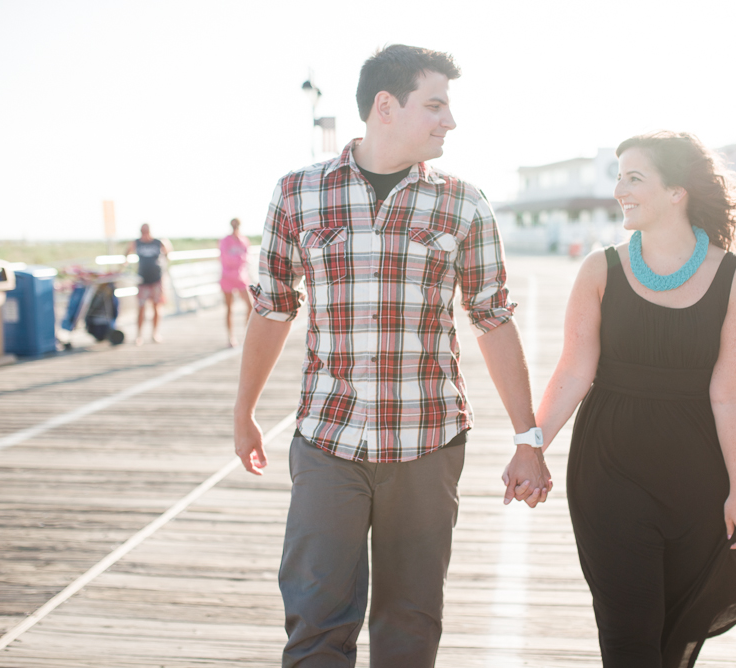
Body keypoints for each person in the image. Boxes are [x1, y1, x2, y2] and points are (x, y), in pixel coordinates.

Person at [233, 44, 551, 667]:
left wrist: (528, 436)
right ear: (386, 106)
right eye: (434, 105)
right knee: (316, 621)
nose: (448, 121)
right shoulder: (298, 193)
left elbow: (492, 319)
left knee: (410, 625)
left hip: (428, 446)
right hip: (329, 440)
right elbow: (273, 306)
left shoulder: (463, 202)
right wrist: (243, 410)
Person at [535, 131, 736, 667]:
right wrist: (530, 446)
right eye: (618, 176)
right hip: (608, 469)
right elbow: (574, 370)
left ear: (677, 192)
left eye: (634, 177)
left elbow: (733, 394)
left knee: (673, 634)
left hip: (696, 479)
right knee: (628, 632)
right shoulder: (599, 270)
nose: (619, 190)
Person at [125, 223, 172, 345]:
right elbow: (127, 252)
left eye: (145, 231)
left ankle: (155, 333)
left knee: (157, 306)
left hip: (157, 279)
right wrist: (126, 262)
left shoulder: (158, 242)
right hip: (142, 280)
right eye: (142, 231)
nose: (144, 234)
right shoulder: (136, 242)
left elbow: (168, 252)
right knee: (141, 307)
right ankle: (139, 335)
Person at [219, 218, 252, 346]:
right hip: (227, 277)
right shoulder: (225, 240)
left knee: (250, 305)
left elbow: (248, 258)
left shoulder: (244, 240)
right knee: (229, 308)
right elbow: (226, 258)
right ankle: (230, 337)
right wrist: (240, 258)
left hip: (242, 278)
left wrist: (238, 259)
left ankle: (246, 333)